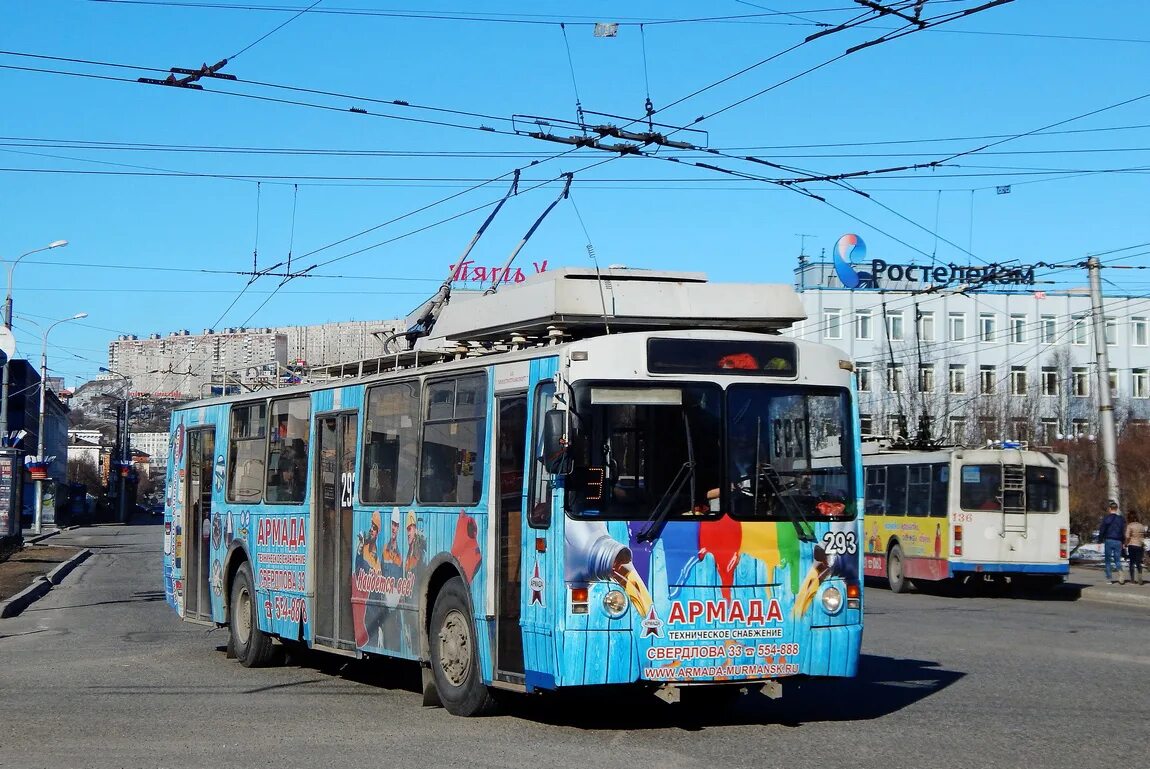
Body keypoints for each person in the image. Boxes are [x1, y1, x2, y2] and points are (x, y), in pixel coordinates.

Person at [1099, 500, 1127, 584]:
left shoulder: (1107, 518)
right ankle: (1120, 572)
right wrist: (1123, 541)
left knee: (1108, 560)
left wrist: (1100, 539)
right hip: (1118, 541)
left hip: (1108, 540)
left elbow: (1102, 529)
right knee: (1117, 559)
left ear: (1110, 509)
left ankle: (1109, 578)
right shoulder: (1121, 519)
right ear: (1117, 508)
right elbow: (1123, 531)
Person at [1124, 512, 1146, 585]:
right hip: (1140, 545)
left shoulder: (1130, 526)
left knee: (1132, 562)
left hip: (1132, 545)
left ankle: (1132, 579)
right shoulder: (1141, 526)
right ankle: (1140, 575)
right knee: (1138, 562)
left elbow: (1127, 536)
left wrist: (1126, 544)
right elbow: (1143, 535)